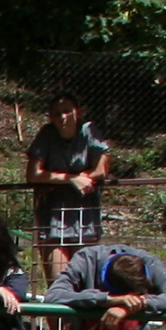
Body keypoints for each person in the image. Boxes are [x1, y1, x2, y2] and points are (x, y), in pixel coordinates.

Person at [25, 94, 113, 284]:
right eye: (57, 113)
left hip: (85, 218)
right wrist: (71, 179)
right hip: (53, 219)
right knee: (59, 282)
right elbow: (33, 173)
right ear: (51, 117)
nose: (62, 117)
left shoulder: (88, 130)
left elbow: (102, 169)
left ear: (77, 113)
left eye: (67, 111)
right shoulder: (47, 134)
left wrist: (84, 178)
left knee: (86, 282)